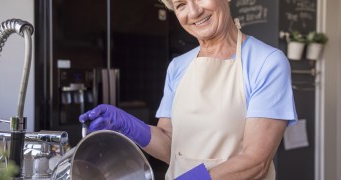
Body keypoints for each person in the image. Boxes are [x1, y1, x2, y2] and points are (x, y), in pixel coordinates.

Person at [79, 0, 297, 179]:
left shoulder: (266, 62)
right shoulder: (178, 66)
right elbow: (171, 148)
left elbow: (256, 163)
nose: (194, 11)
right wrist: (128, 125)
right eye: (181, 4)